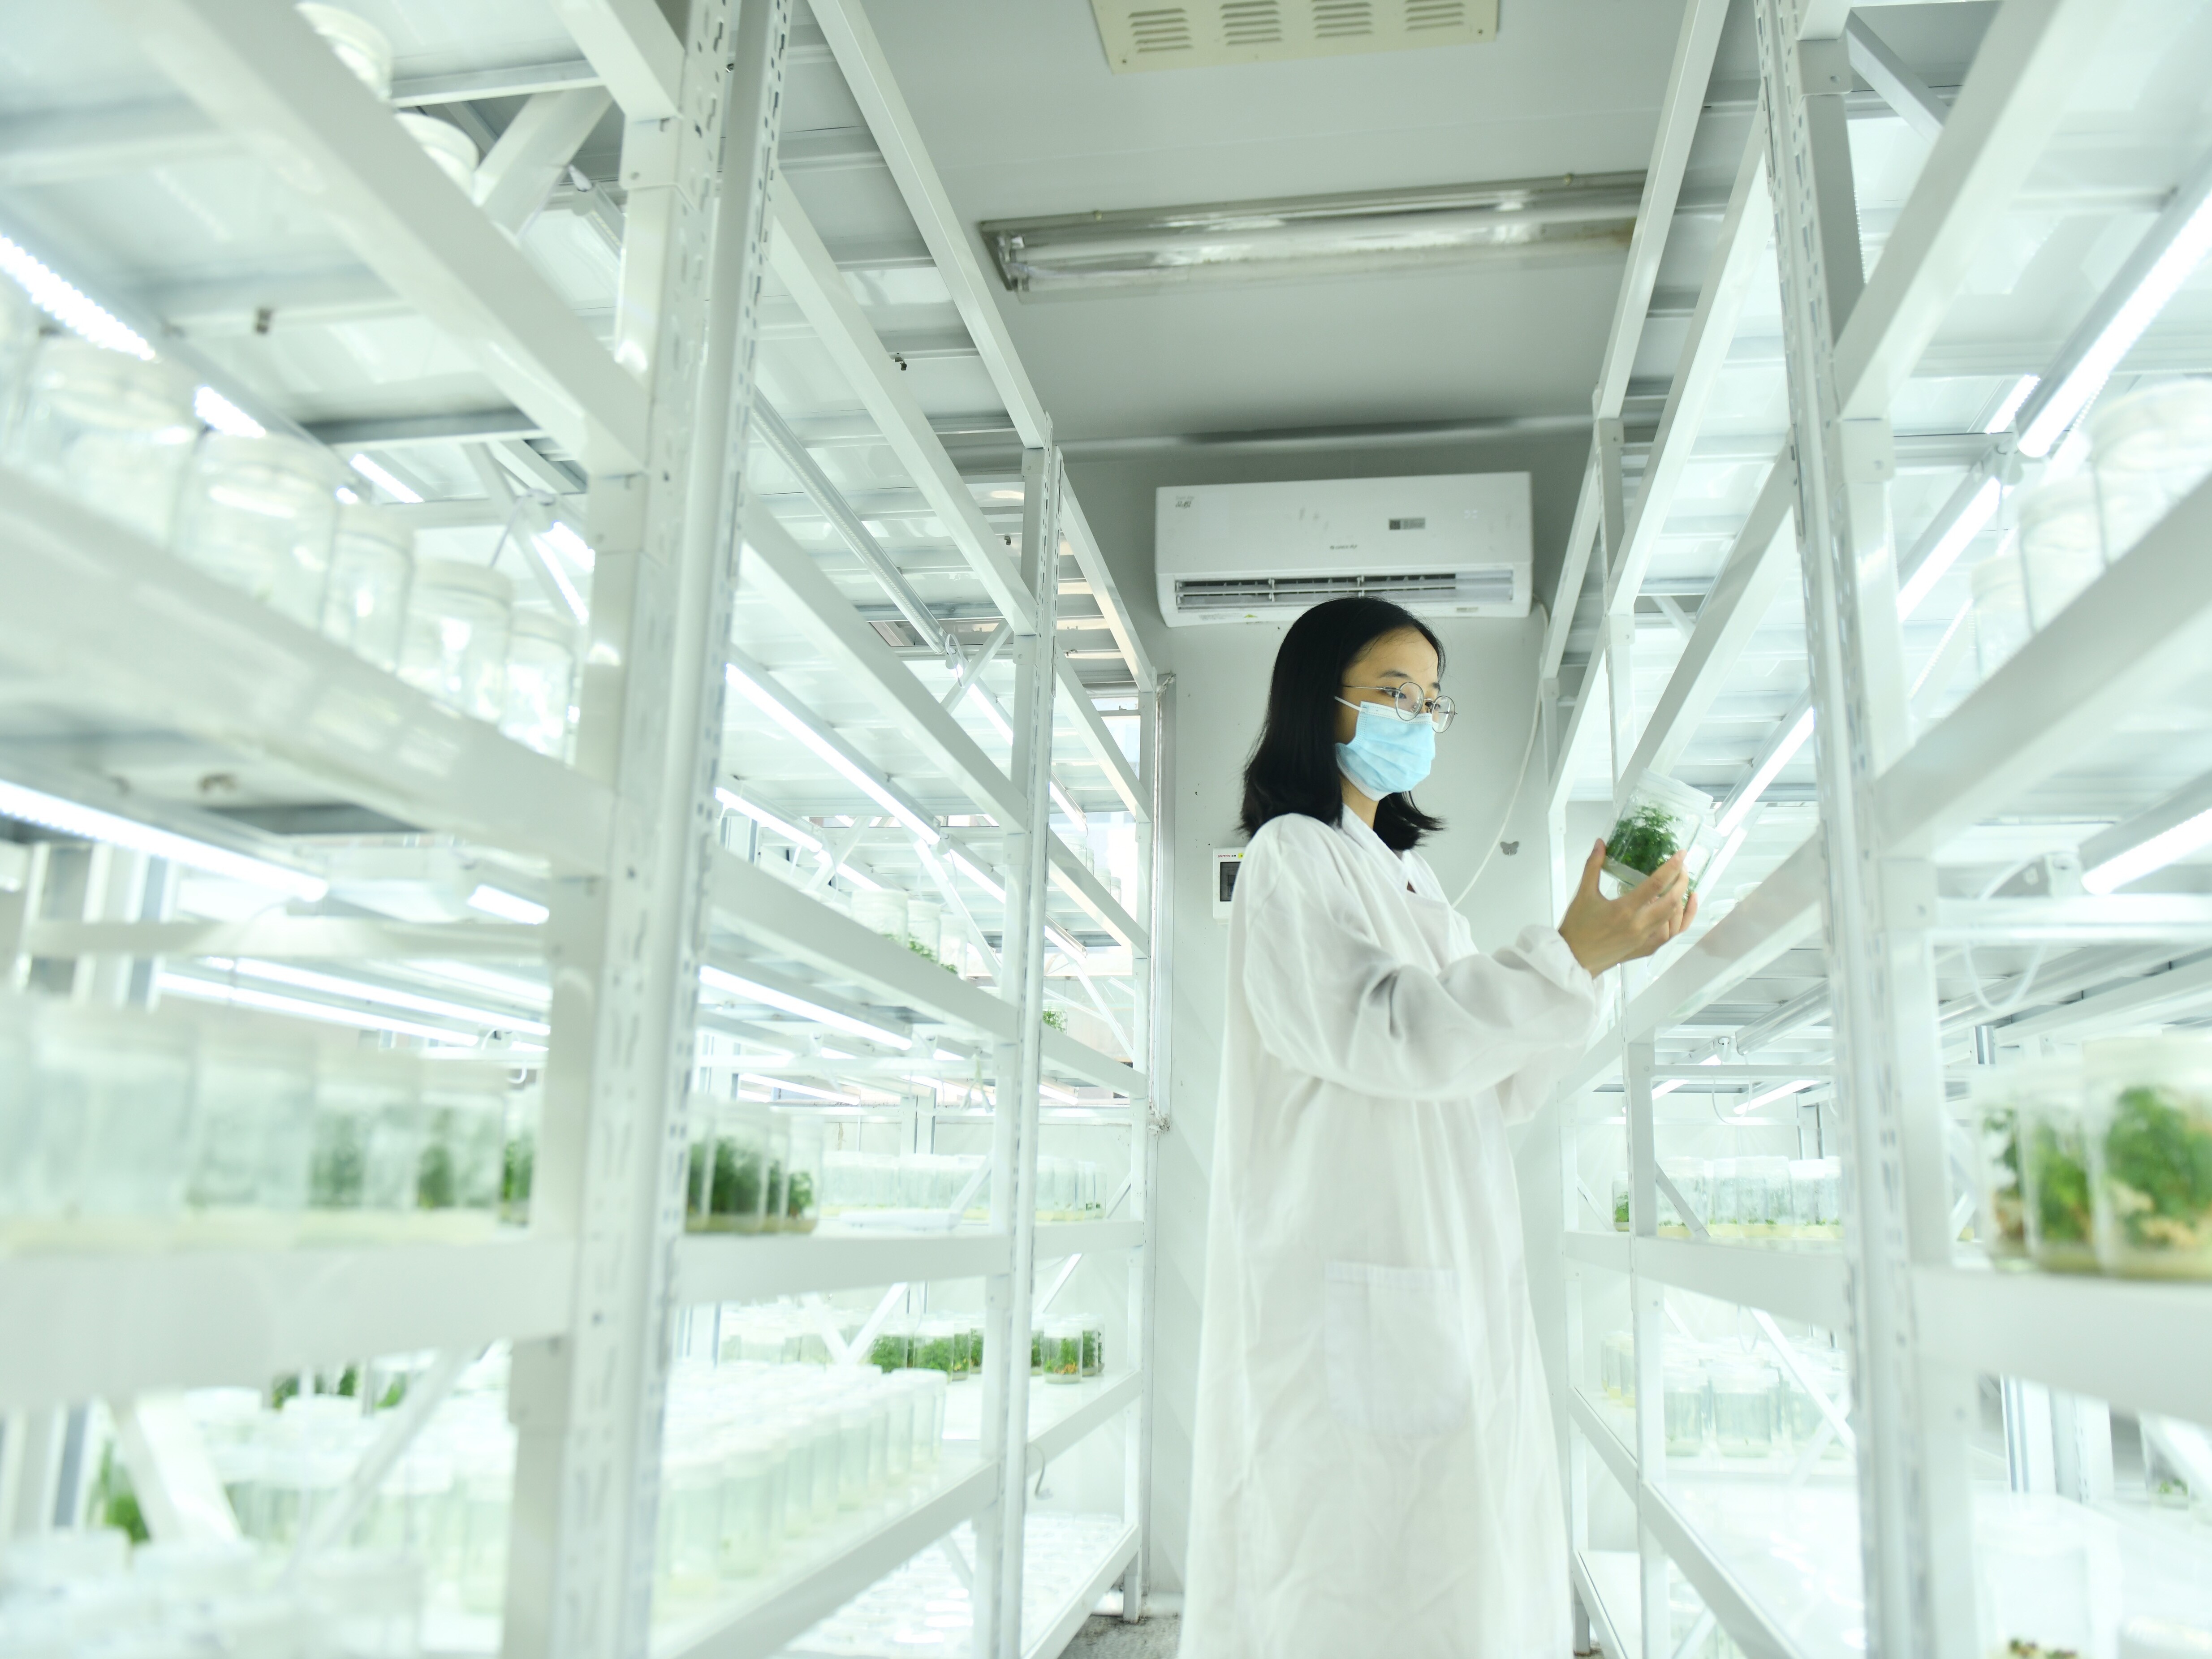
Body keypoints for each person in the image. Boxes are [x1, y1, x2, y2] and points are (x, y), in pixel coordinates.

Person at [1178, 596, 1697, 1659]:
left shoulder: (1416, 884)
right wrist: (1564, 961)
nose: (1417, 715)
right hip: (1354, 1269)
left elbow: (1496, 1085)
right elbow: (1383, 1032)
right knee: (1344, 1578)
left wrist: (1583, 965)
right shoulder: (1293, 855)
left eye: (1430, 699)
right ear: (1318, 711)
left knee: (1452, 1571)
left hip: (1442, 1272)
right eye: (1390, 694)